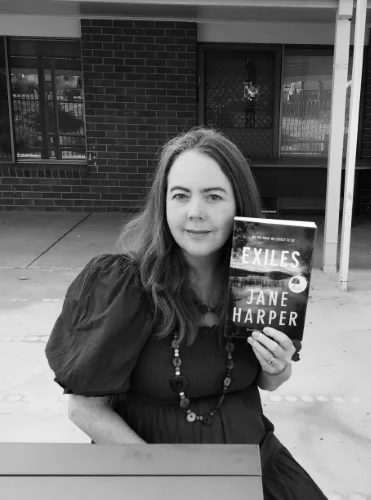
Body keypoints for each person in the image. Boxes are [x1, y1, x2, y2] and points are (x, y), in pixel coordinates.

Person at [45, 127, 327, 499]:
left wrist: (279, 367)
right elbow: (83, 410)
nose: (195, 212)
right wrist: (164, 481)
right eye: (180, 196)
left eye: (213, 196)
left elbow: (266, 381)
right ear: (164, 204)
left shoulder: (263, 278)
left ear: (238, 204)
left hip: (252, 464)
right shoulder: (124, 285)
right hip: (150, 477)